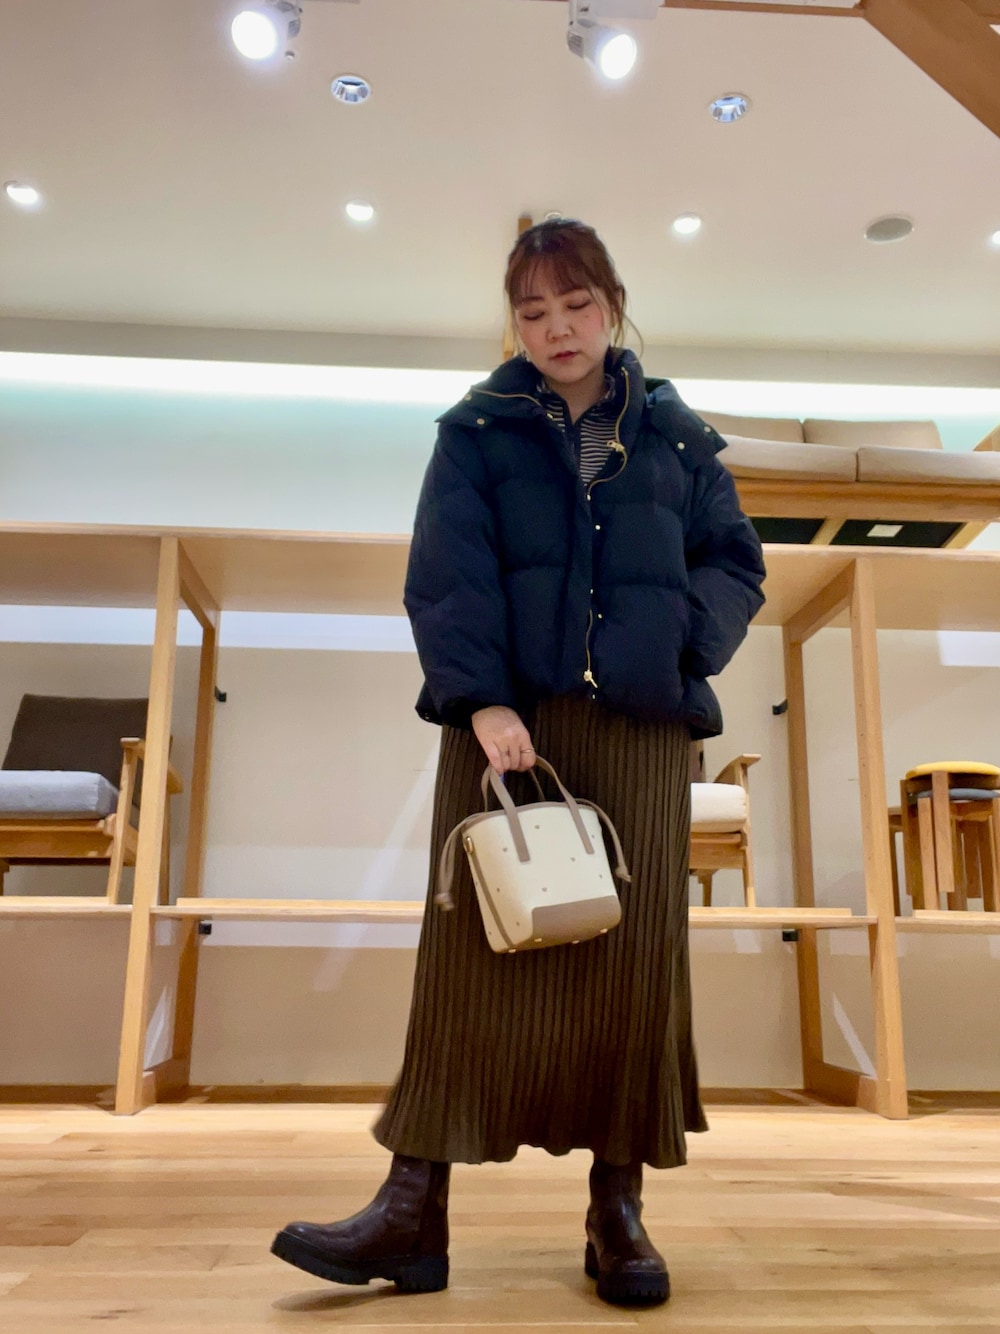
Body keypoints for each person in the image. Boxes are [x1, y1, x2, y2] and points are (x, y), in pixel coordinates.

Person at [272, 219, 766, 1307]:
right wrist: (484, 698)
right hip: (508, 729)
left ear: (613, 303)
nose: (557, 328)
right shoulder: (476, 432)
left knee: (631, 969)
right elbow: (446, 573)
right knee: (468, 962)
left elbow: (735, 561)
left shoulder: (680, 437)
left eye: (576, 303)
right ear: (514, 324)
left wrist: (679, 640)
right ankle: (413, 1208)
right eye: (533, 311)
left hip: (640, 728)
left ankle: (616, 1208)